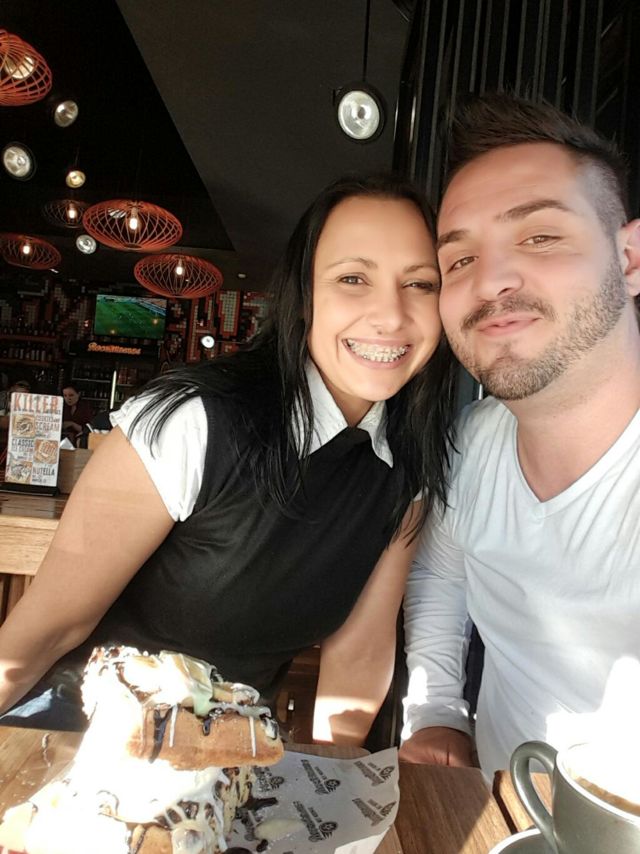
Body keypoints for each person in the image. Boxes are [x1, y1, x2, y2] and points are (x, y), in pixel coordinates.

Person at [0, 174, 459, 741]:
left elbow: (359, 651)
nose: (391, 315)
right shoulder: (192, 422)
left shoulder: (407, 465)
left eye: (420, 284)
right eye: (352, 279)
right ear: (304, 296)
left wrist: (332, 776)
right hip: (72, 737)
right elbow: (47, 631)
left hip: (227, 761)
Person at [400, 93, 640, 777]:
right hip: (496, 816)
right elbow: (443, 571)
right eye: (459, 261)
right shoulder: (474, 442)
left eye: (539, 237)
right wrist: (436, 709)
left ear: (629, 258)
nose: (490, 282)